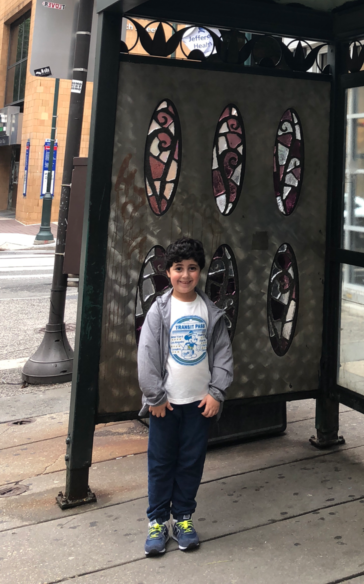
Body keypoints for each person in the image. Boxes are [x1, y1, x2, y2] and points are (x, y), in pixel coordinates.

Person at [137, 237, 233, 557]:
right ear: (168, 272)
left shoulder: (211, 312)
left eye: (192, 268)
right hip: (166, 405)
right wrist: (155, 397)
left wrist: (216, 393)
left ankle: (183, 519)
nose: (186, 275)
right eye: (179, 269)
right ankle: (157, 521)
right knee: (161, 463)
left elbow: (222, 355)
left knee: (191, 463)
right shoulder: (159, 311)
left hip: (199, 404)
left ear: (200, 272)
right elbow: (147, 356)